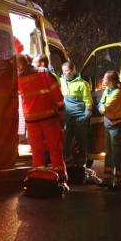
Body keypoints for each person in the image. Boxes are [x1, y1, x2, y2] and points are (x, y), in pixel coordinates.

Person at [17, 54, 68, 186]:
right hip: (48, 116)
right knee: (54, 146)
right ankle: (60, 175)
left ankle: (40, 175)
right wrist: (61, 108)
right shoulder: (43, 72)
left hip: (31, 119)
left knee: (36, 148)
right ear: (29, 61)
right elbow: (55, 91)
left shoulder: (18, 78)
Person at [97, 70, 121, 190]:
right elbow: (101, 104)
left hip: (117, 127)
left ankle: (119, 180)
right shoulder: (108, 90)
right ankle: (108, 179)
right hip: (110, 126)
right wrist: (102, 106)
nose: (103, 80)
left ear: (110, 81)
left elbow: (104, 108)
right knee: (109, 154)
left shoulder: (117, 93)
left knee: (118, 154)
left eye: (105, 79)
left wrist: (102, 106)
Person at [60, 61, 93, 172]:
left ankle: (81, 165)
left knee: (81, 141)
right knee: (66, 142)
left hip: (80, 116)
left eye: (67, 71)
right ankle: (68, 164)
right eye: (63, 71)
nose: (65, 73)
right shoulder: (61, 81)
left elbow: (88, 99)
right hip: (68, 117)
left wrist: (87, 111)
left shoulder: (82, 84)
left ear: (73, 70)